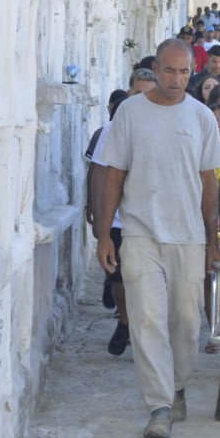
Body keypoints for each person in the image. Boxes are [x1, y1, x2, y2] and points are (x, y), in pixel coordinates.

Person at [96, 39, 220, 438]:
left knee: (186, 322)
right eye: (170, 71)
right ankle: (159, 405)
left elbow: (209, 182)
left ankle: (179, 385)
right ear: (155, 68)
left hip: (187, 236)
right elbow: (113, 173)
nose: (177, 79)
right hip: (139, 232)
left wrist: (212, 240)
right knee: (148, 319)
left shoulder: (201, 117)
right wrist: (104, 234)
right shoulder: (130, 114)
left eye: (185, 72)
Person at [86, 89, 130, 351]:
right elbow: (98, 171)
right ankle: (125, 319)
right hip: (117, 218)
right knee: (119, 277)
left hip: (149, 221)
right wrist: (96, 210)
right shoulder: (109, 131)